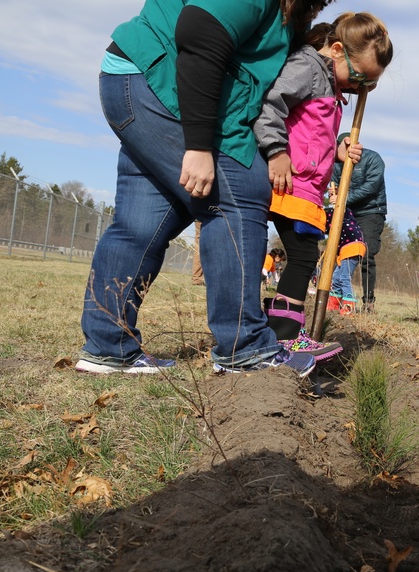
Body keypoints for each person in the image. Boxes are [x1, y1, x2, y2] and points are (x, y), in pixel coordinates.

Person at [77, 0, 334, 377]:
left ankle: (108, 347)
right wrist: (197, 146)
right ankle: (244, 348)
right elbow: (201, 34)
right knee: (240, 194)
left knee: (142, 223)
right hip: (160, 81)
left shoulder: (289, 15)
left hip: (137, 81)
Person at [253, 13, 392, 359]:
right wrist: (276, 150)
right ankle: (283, 335)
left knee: (302, 257)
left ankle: (281, 330)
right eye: (358, 76)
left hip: (307, 187)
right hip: (290, 181)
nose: (358, 87)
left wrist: (338, 153)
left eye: (367, 83)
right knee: (301, 257)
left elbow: (312, 136)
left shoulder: (331, 82)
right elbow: (271, 104)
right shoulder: (309, 67)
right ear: (336, 50)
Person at [332, 133, 386, 312]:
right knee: (337, 252)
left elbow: (372, 186)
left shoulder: (373, 159)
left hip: (371, 211)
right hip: (346, 212)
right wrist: (334, 196)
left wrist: (344, 198)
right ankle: (335, 295)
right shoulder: (336, 163)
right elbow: (333, 185)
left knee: (367, 254)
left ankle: (368, 301)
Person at [329, 207, 367, 315]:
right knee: (336, 278)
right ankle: (334, 305)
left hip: (352, 248)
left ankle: (348, 306)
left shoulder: (345, 221)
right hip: (347, 250)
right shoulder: (347, 223)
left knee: (344, 277)